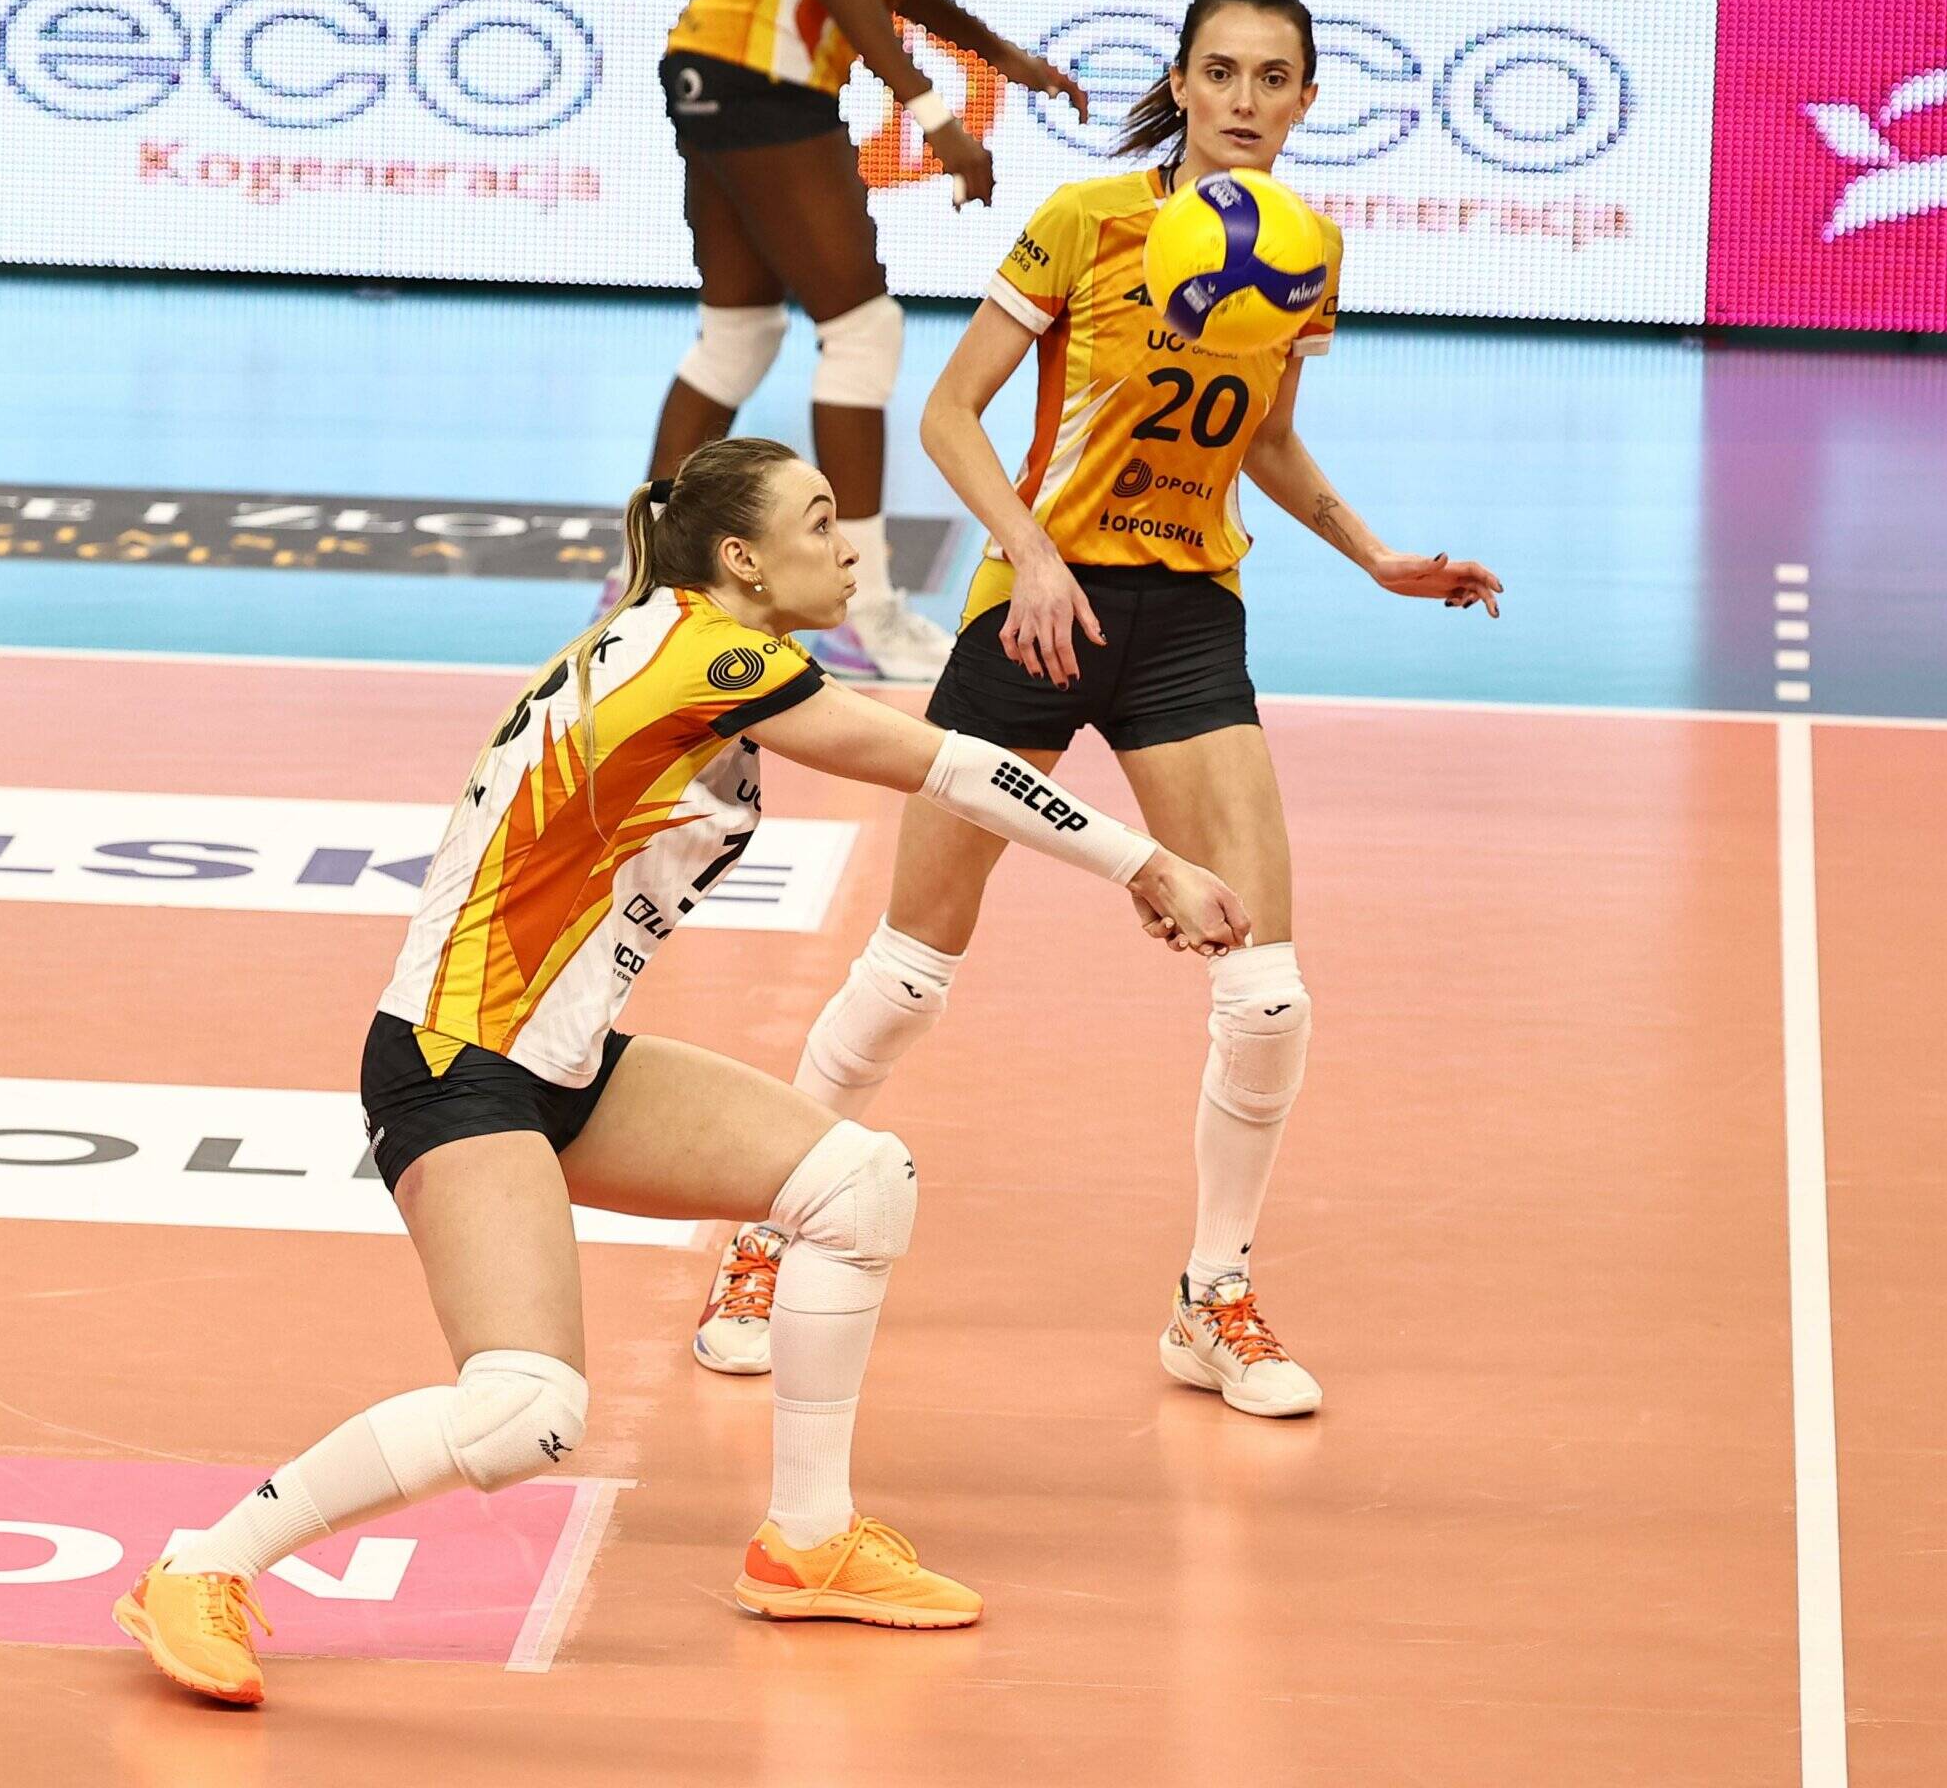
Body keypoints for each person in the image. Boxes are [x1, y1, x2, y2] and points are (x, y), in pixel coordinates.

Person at [115, 439, 1251, 1705]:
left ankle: (808, 1541)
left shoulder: (664, 639)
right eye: (818, 522)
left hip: (559, 1059)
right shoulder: (705, 654)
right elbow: (949, 762)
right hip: (454, 1063)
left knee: (856, 1182)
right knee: (525, 1409)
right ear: (740, 558)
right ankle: (203, 1563)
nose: (847, 548)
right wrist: (1147, 863)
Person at [690, 0, 1503, 1419]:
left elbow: (1263, 441)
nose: (1244, 99)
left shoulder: (1306, 250)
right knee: (907, 974)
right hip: (1035, 611)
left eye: (1272, 77)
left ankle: (1210, 1296)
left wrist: (1374, 554)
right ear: (1179, 85)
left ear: (1306, 99)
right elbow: (949, 412)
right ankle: (763, 1234)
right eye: (1219, 72)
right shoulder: (1083, 221)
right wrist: (1030, 553)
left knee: (1265, 991)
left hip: (1184, 616)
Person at [646, 0, 1089, 682]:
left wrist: (996, 53)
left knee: (739, 334)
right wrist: (936, 119)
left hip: (722, 62)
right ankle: (863, 610)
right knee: (862, 329)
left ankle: (652, 592)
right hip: (758, 70)